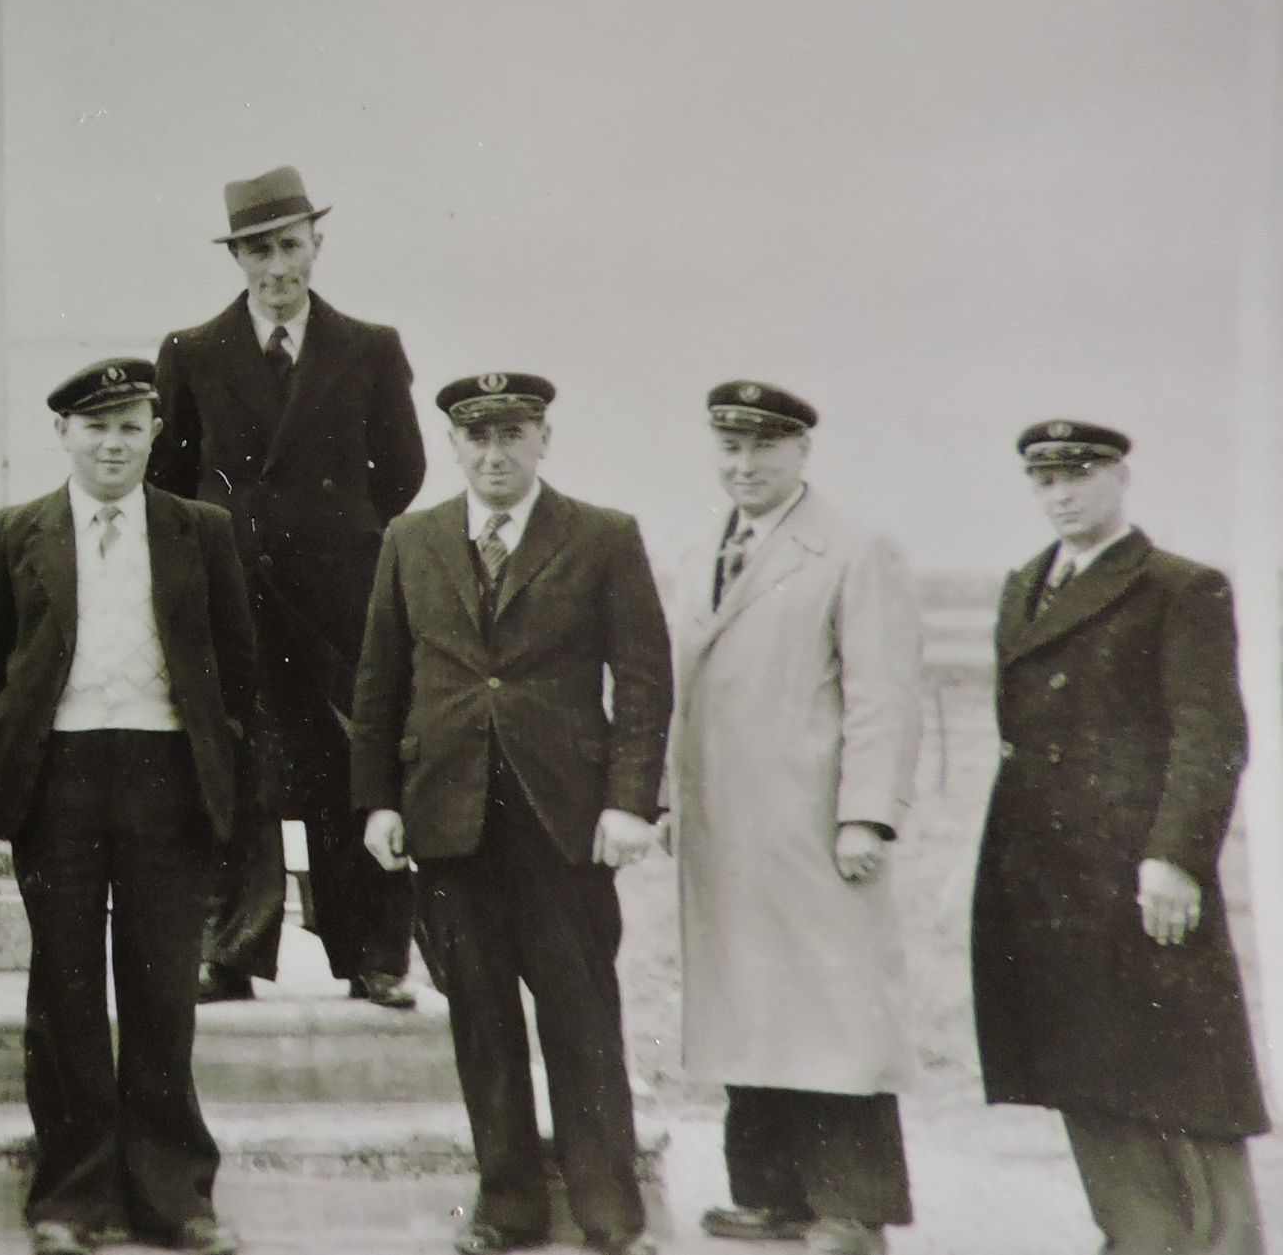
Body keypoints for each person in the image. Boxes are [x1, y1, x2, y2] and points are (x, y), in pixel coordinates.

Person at [351, 374, 671, 1255]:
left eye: (514, 435)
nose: (495, 454)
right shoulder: (411, 538)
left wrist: (631, 803)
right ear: (453, 445)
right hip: (447, 818)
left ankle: (610, 1208)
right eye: (477, 437)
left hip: (562, 819)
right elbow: (380, 680)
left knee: (582, 1012)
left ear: (544, 439)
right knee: (480, 1017)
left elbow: (644, 680)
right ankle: (508, 1204)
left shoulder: (603, 535)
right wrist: (378, 799)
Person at [0, 358, 263, 1255]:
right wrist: (48, 723)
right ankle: (72, 1195)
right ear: (63, 434)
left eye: (131, 423)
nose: (114, 442)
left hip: (168, 772)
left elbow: (236, 662)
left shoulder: (199, 528)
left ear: (156, 430)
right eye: (96, 425)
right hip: (60, 778)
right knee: (67, 985)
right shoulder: (16, 530)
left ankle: (175, 1196)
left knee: (164, 985)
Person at [972, 421, 1266, 1255]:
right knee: (1083, 1065)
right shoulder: (1025, 583)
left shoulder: (1180, 586)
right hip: (1045, 871)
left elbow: (1211, 735)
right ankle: (1137, 1235)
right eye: (1045, 479)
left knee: (1180, 1066)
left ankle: (1221, 1243)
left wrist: (1175, 856)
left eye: (1081, 474)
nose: (1062, 493)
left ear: (1121, 477)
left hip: (1138, 869)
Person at [150, 163, 425, 1008]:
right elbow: (171, 474)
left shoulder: (369, 346)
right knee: (236, 766)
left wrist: (337, 539)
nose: (278, 267)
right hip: (235, 599)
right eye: (259, 250)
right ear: (237, 257)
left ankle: (372, 956)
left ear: (317, 243)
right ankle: (228, 951)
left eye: (291, 245)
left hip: (342, 603)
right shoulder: (193, 353)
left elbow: (403, 469)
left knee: (355, 762)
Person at [666, 385, 921, 1255]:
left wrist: (866, 817)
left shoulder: (852, 549)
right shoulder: (702, 548)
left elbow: (884, 693)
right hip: (725, 829)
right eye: (729, 449)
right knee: (751, 1003)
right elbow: (677, 690)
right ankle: (770, 1192)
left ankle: (852, 1208)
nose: (743, 466)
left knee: (835, 1010)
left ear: (802, 450)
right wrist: (667, 798)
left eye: (762, 450)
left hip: (813, 825)